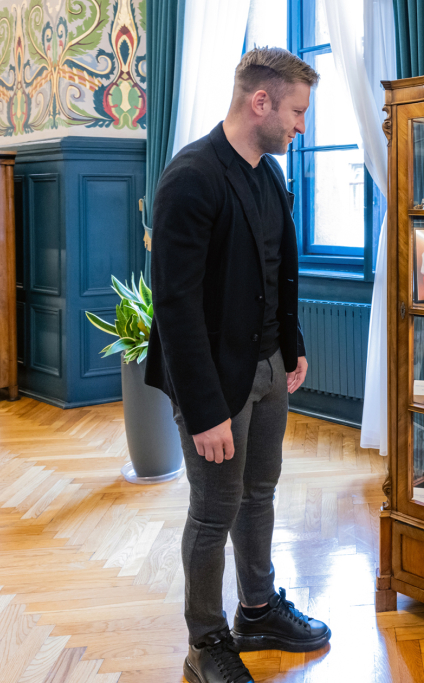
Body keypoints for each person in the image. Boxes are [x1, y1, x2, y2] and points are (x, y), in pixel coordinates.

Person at [145, 47, 330, 683]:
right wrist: (204, 412)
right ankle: (205, 642)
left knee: (260, 493)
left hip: (269, 368)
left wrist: (292, 344)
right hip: (212, 383)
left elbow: (278, 269)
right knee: (214, 509)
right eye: (297, 112)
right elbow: (174, 308)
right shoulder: (190, 177)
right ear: (261, 103)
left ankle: (256, 610)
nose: (301, 126)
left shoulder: (267, 175)